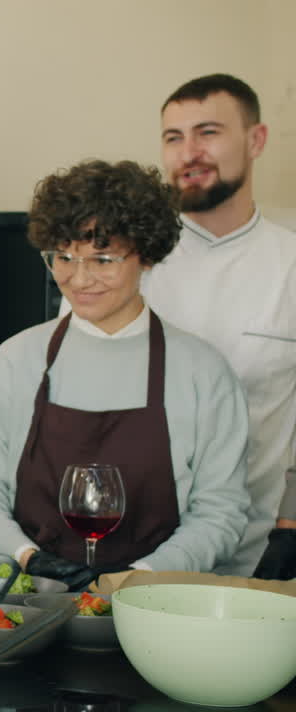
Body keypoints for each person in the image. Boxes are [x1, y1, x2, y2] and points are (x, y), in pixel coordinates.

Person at [0, 159, 250, 591]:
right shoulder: (14, 361)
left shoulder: (203, 372)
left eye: (103, 259)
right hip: (29, 606)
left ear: (147, 255)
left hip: (158, 607)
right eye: (63, 258)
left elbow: (220, 512)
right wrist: (26, 558)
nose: (79, 279)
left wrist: (139, 578)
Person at [144, 74, 296, 578]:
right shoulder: (123, 261)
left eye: (208, 132)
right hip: (132, 547)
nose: (189, 152)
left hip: (256, 554)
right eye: (174, 137)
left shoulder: (290, 263)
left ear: (256, 140)